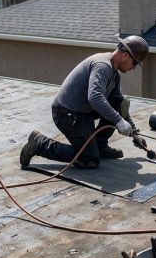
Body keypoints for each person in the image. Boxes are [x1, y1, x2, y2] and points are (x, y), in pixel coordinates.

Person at [19, 35, 149, 169]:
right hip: (66, 114)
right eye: (135, 63)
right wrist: (119, 121)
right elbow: (95, 97)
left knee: (118, 102)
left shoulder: (114, 73)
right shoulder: (103, 66)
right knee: (89, 159)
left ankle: (100, 146)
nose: (133, 68)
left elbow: (118, 103)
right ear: (125, 55)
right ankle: (40, 144)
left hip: (82, 112)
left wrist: (134, 133)